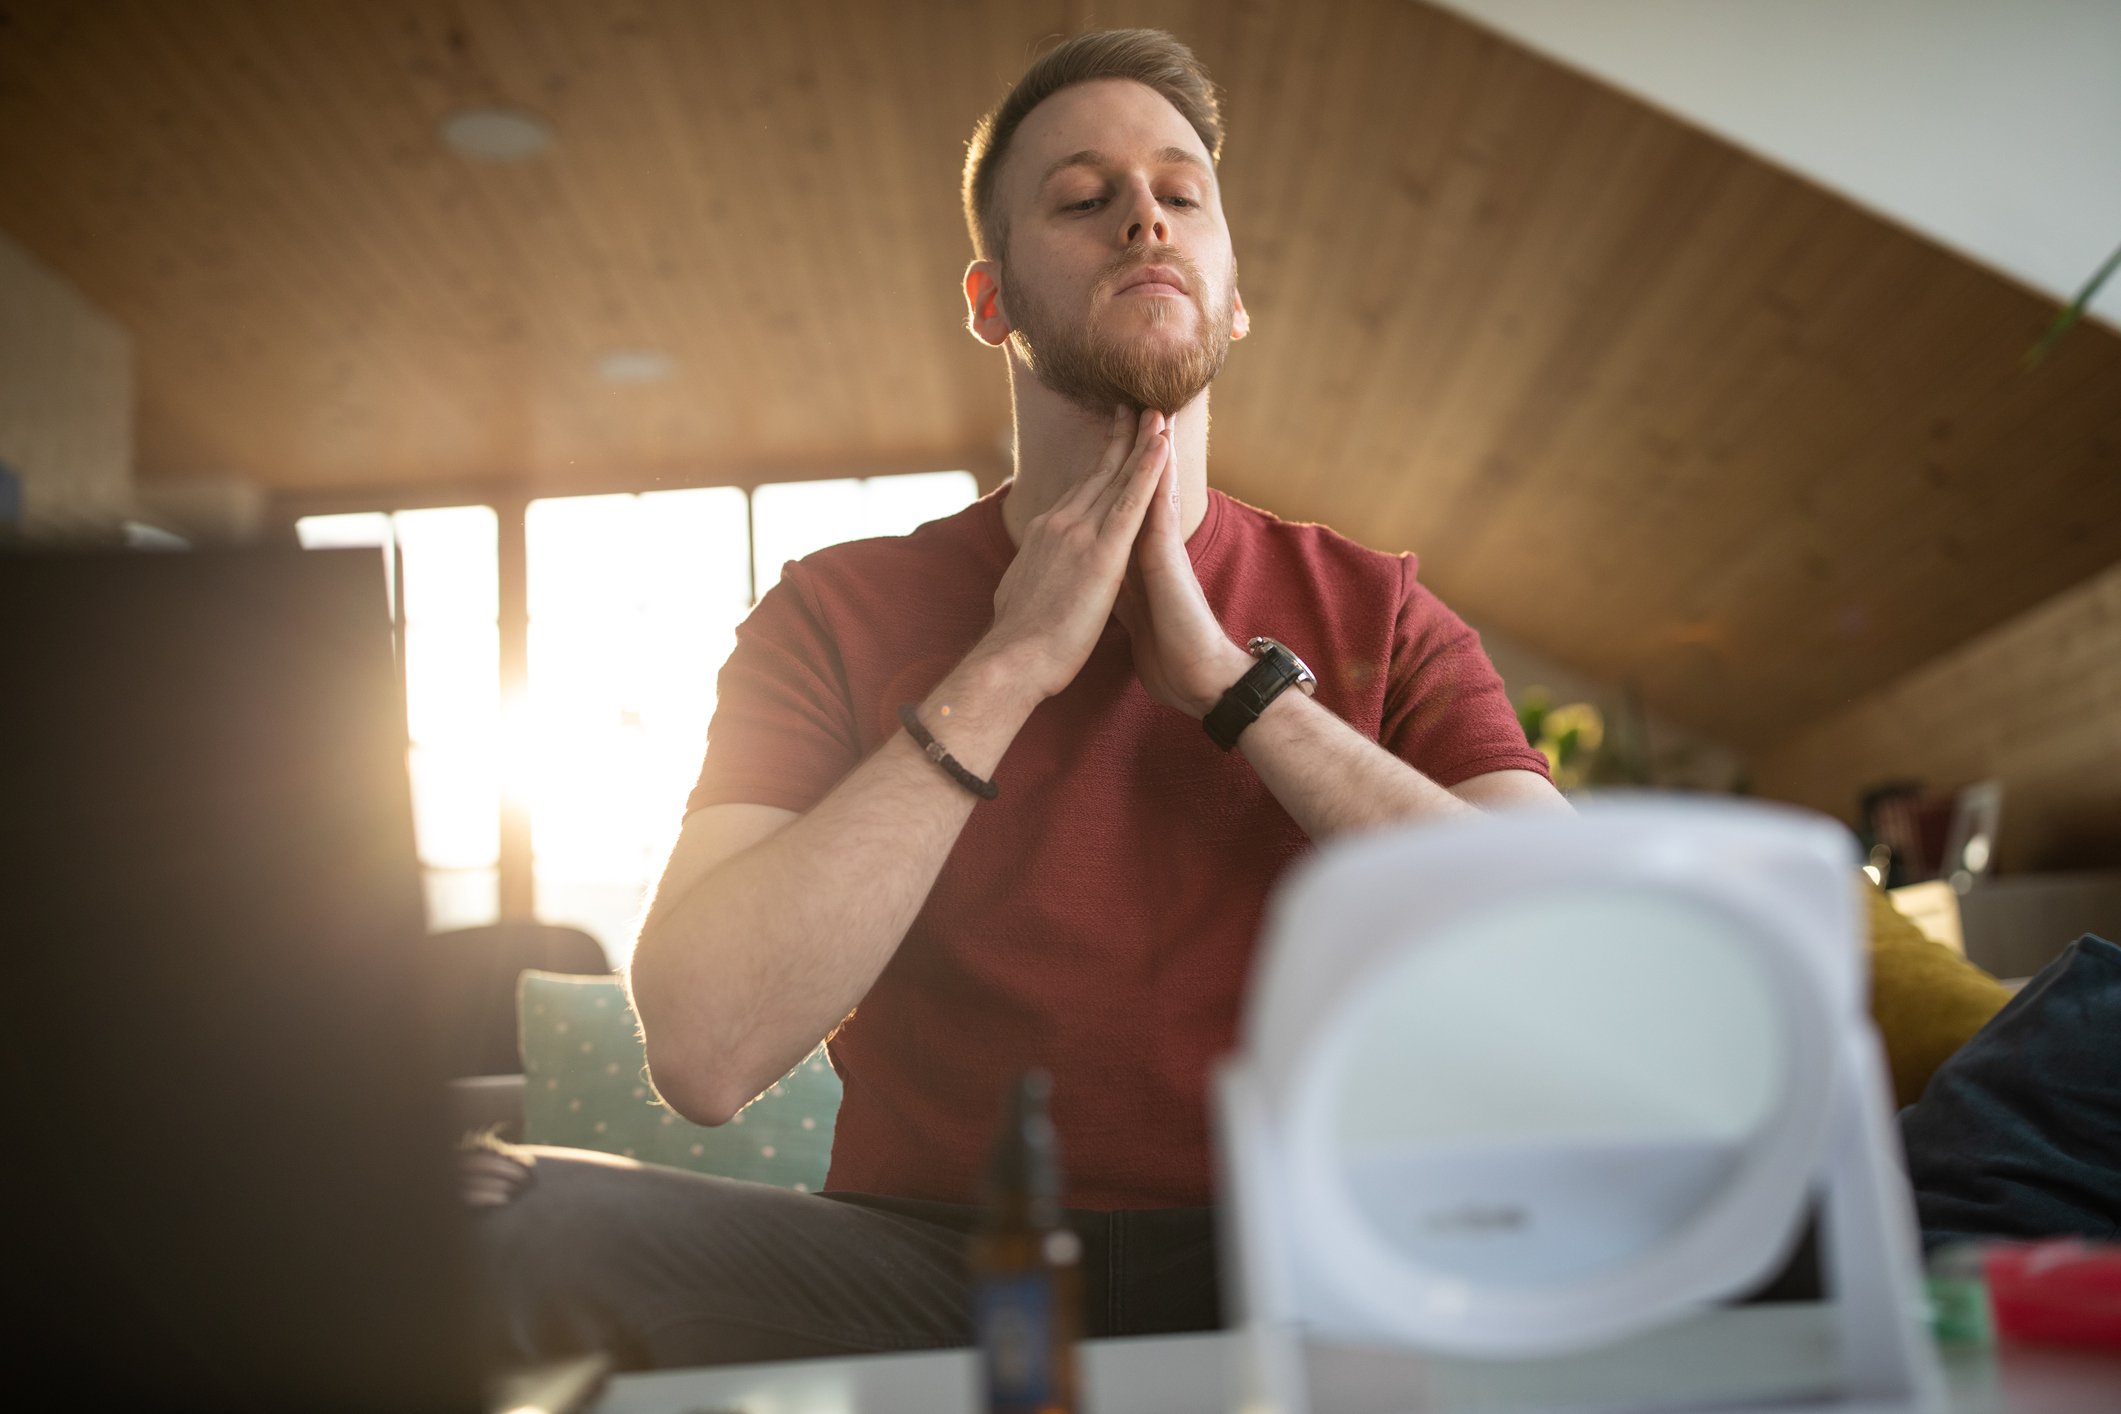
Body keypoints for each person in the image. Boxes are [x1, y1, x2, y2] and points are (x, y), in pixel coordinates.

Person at [473, 28, 1563, 1371]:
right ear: (990, 301)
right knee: (510, 1227)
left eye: (1180, 190)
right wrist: (1003, 668)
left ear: (1230, 297)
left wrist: (1232, 688)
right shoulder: (828, 613)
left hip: (1313, 1248)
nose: (1143, 215)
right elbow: (703, 1050)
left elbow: (1564, 965)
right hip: (936, 1263)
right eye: (1081, 196)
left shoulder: (1379, 608)